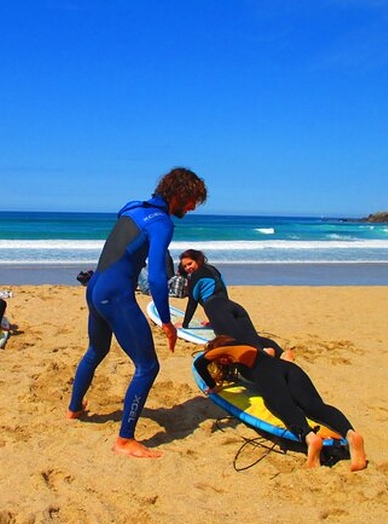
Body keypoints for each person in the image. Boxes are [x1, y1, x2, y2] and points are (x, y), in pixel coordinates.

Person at [66, 167, 208, 459]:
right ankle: (125, 440)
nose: (192, 208)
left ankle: (74, 409)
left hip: (95, 288)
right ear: (179, 194)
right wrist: (167, 321)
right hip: (116, 295)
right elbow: (156, 276)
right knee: (148, 367)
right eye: (192, 200)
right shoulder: (162, 223)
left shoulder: (132, 207)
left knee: (96, 350)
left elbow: (124, 236)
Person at [195, 335, 367, 471]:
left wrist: (212, 386)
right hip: (289, 369)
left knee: (282, 407)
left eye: (219, 359)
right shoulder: (246, 346)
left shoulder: (225, 348)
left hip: (268, 374)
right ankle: (351, 435)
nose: (222, 361)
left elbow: (200, 363)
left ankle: (310, 438)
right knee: (315, 406)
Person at [178, 249, 289, 359]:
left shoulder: (195, 275)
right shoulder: (213, 269)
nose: (188, 268)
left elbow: (192, 302)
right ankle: (282, 354)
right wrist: (217, 319)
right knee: (253, 337)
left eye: (190, 263)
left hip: (217, 309)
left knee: (233, 342)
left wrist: (184, 324)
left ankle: (264, 355)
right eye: (185, 266)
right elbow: (221, 291)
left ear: (197, 260)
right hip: (232, 306)